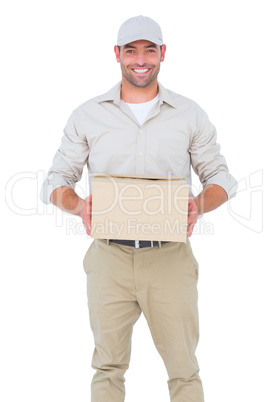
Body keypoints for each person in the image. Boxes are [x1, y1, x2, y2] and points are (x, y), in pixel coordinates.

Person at [40, 15, 237, 402]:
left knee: (183, 370)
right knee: (108, 368)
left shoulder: (189, 113)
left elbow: (222, 179)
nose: (140, 60)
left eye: (150, 50)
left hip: (169, 259)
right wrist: (79, 206)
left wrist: (197, 205)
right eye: (131, 51)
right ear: (117, 54)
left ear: (163, 53)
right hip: (108, 258)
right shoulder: (87, 114)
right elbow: (55, 181)